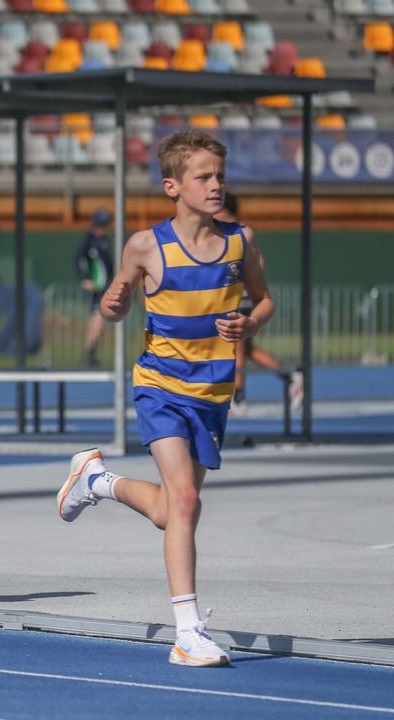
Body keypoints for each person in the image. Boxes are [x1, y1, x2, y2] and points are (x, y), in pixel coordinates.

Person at [57, 131, 274, 667]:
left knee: (169, 511)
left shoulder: (240, 240)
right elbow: (115, 305)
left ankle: (96, 480)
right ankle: (188, 632)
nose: (216, 184)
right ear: (173, 185)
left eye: (220, 175)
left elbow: (266, 301)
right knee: (186, 502)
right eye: (204, 176)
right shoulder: (145, 244)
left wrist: (248, 322)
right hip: (160, 386)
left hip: (212, 393)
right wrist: (114, 303)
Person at [216, 193, 303, 416]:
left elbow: (259, 263)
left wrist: (240, 276)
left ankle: (239, 396)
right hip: (237, 297)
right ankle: (291, 373)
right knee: (249, 349)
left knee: (238, 350)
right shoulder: (227, 229)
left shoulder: (235, 230)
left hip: (239, 298)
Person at [74, 209, 114, 367]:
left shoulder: (106, 240)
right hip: (96, 287)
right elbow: (78, 259)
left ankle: (92, 351)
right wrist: (85, 279)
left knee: (100, 321)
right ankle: (89, 351)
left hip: (105, 286)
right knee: (98, 318)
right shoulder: (88, 240)